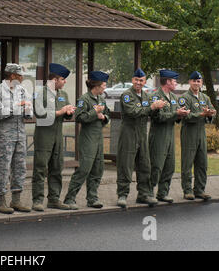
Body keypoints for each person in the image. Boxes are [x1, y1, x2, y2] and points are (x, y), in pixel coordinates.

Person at [116, 68, 166, 209]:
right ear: (132, 80)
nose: (138, 82)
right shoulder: (127, 95)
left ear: (144, 82)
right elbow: (133, 112)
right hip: (128, 134)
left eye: (141, 80)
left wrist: (158, 108)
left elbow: (152, 114)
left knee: (144, 165)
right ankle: (122, 195)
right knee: (126, 165)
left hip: (142, 134)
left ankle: (143, 194)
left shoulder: (146, 96)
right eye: (136, 80)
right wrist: (152, 107)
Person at [32, 63, 76, 211]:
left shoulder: (63, 94)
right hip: (44, 136)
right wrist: (59, 112)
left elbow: (67, 113)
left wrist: (69, 112)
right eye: (63, 79)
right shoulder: (40, 93)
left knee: (57, 167)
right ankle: (37, 200)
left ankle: (54, 199)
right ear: (55, 79)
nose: (65, 82)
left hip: (57, 135)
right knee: (40, 169)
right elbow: (39, 114)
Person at [0, 63, 33, 214]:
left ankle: (16, 200)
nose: (22, 78)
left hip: (20, 135)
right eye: (20, 75)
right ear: (12, 75)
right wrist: (17, 106)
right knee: (3, 168)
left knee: (20, 168)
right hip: (5, 137)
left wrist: (27, 109)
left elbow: (29, 113)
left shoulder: (22, 91)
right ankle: (1, 201)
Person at [63, 71, 110, 210]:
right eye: (104, 85)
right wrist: (94, 113)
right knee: (84, 169)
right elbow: (79, 117)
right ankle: (70, 198)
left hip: (98, 138)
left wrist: (103, 117)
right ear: (97, 85)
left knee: (98, 168)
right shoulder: (85, 99)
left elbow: (107, 115)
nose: (105, 88)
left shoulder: (101, 99)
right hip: (88, 138)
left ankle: (92, 198)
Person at [149, 70, 189, 203]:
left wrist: (181, 114)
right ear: (167, 82)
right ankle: (149, 193)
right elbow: (158, 117)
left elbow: (175, 116)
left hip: (170, 135)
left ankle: (163, 193)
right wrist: (175, 113)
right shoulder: (155, 96)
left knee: (169, 166)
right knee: (156, 166)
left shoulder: (173, 97)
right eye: (174, 81)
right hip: (159, 135)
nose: (176, 83)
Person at [179, 71, 216, 201]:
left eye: (198, 81)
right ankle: (187, 191)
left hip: (201, 133)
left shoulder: (205, 98)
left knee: (202, 163)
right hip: (189, 133)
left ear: (201, 83)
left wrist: (210, 113)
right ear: (189, 82)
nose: (196, 83)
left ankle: (200, 190)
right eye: (194, 81)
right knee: (187, 163)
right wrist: (201, 114)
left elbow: (211, 111)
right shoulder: (184, 97)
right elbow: (186, 116)